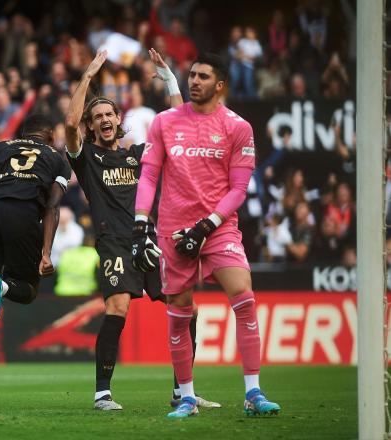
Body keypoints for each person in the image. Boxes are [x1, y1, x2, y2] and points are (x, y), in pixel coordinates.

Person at [65, 49, 220, 411]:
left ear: (119, 119)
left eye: (109, 114)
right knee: (117, 307)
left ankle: (183, 391)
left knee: (188, 310)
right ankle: (102, 393)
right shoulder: (87, 157)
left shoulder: (139, 154)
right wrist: (87, 76)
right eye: (97, 116)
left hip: (149, 242)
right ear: (92, 125)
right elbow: (70, 126)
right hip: (114, 243)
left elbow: (180, 128)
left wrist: (169, 80)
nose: (104, 119)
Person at [132, 52, 281, 418]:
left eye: (202, 76)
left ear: (220, 85)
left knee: (244, 295)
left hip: (217, 227)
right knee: (180, 311)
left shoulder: (238, 127)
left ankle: (253, 392)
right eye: (191, 74)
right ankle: (185, 396)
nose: (194, 80)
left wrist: (207, 225)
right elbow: (149, 175)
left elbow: (239, 189)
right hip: (172, 230)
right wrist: (140, 223)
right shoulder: (165, 122)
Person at [0, 114, 71, 408]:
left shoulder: (0, 147)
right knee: (29, 290)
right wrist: (46, 252)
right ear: (49, 135)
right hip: (24, 218)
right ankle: (7, 288)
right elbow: (52, 205)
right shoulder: (57, 158)